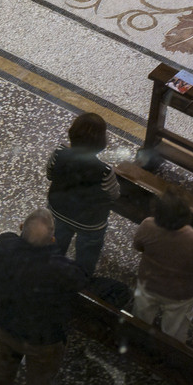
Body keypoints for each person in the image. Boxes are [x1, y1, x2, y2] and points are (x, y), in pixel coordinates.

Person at [0, 208, 82, 385]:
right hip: (41, 340)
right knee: (40, 380)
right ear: (53, 240)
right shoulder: (60, 269)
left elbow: (8, 238)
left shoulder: (4, 244)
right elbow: (79, 279)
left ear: (21, 228)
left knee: (3, 364)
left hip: (5, 324)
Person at [46, 110, 121, 279]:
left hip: (58, 211)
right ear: (101, 141)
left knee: (54, 247)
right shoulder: (105, 171)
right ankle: (80, 280)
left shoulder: (59, 152)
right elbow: (114, 195)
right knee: (86, 256)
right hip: (90, 223)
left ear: (72, 133)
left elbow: (50, 174)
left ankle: (51, 273)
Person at [130, 188, 193, 338]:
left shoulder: (147, 225)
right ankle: (169, 354)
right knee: (174, 332)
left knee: (140, 320)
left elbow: (138, 246)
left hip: (148, 283)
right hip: (180, 293)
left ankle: (137, 342)